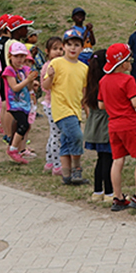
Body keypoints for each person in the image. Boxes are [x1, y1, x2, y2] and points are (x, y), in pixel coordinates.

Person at [101, 43, 136, 213]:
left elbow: (101, 104)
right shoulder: (128, 80)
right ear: (123, 63)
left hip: (113, 124)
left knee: (117, 160)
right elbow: (135, 103)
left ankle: (117, 198)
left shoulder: (103, 81)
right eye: (129, 59)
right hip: (128, 123)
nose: (131, 62)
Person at [41, 29, 88, 185]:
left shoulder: (83, 68)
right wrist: (51, 76)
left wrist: (86, 109)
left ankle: (66, 176)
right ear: (63, 47)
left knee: (67, 142)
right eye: (69, 45)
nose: (73, 48)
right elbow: (45, 86)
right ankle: (77, 170)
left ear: (82, 48)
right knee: (77, 137)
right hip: (61, 110)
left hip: (75, 110)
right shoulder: (56, 63)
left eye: (76, 45)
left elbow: (84, 91)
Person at [82, 49, 114, 202]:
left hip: (94, 125)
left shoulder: (91, 83)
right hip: (105, 126)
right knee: (108, 159)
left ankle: (97, 191)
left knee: (101, 159)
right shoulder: (106, 83)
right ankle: (109, 192)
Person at [1, 41, 38, 164]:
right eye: (16, 56)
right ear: (10, 56)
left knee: (22, 126)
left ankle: (16, 147)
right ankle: (13, 149)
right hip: (14, 103)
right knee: (24, 125)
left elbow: (29, 88)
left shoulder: (25, 69)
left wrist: (31, 80)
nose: (19, 59)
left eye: (22, 56)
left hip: (25, 103)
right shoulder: (9, 70)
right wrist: (27, 79)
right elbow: (15, 87)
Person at [39, 36, 64, 176]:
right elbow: (45, 87)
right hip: (51, 105)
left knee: (53, 134)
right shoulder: (49, 66)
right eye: (55, 49)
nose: (59, 52)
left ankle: (49, 161)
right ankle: (57, 165)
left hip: (56, 104)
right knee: (57, 136)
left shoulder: (60, 64)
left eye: (61, 49)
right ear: (47, 51)